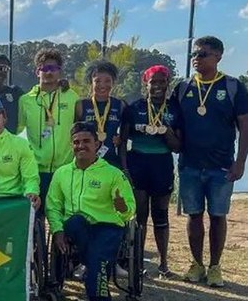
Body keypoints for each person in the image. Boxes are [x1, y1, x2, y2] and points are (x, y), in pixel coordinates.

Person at [169, 36, 248, 287]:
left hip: (221, 166)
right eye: (194, 54)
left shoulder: (233, 86)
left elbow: (245, 126)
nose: (196, 58)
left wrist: (240, 163)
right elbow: (174, 124)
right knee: (194, 215)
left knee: (217, 216)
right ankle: (197, 264)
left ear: (218, 56)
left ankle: (215, 266)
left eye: (203, 54)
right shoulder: (183, 88)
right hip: (190, 164)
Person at [46, 122, 135, 301]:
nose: (81, 146)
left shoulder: (113, 174)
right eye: (76, 142)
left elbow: (129, 210)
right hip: (77, 229)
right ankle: (94, 265)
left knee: (98, 258)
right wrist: (58, 230)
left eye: (86, 141)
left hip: (107, 227)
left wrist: (122, 208)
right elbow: (53, 206)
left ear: (97, 143)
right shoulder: (62, 174)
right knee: (77, 223)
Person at [119, 65, 180, 279]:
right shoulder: (134, 108)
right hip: (138, 163)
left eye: (162, 82)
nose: (158, 86)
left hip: (162, 164)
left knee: (161, 215)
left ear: (167, 84)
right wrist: (125, 168)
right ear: (146, 83)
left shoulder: (174, 108)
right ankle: (137, 263)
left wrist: (167, 133)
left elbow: (178, 147)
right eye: (153, 82)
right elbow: (123, 141)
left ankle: (163, 264)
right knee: (140, 216)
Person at [18, 48, 80, 211]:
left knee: (62, 218)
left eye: (54, 68)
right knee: (36, 219)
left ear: (60, 72)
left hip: (65, 169)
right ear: (37, 71)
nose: (49, 72)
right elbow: (18, 133)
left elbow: (80, 128)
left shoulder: (72, 97)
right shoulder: (25, 101)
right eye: (44, 68)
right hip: (36, 170)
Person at [76, 60, 125, 168]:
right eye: (97, 81)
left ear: (113, 83)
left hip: (112, 163)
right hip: (87, 163)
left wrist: (119, 139)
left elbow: (126, 135)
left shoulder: (120, 105)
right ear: (91, 82)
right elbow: (74, 135)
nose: (102, 85)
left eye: (107, 81)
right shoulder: (81, 105)